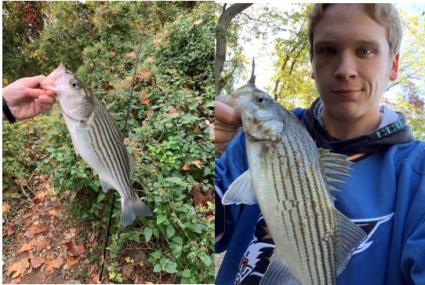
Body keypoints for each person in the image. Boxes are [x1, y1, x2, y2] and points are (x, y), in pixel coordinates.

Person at [215, 3, 425, 285]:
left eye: (365, 51)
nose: (345, 69)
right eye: (328, 50)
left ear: (394, 65)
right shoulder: (247, 145)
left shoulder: (417, 178)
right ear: (312, 63)